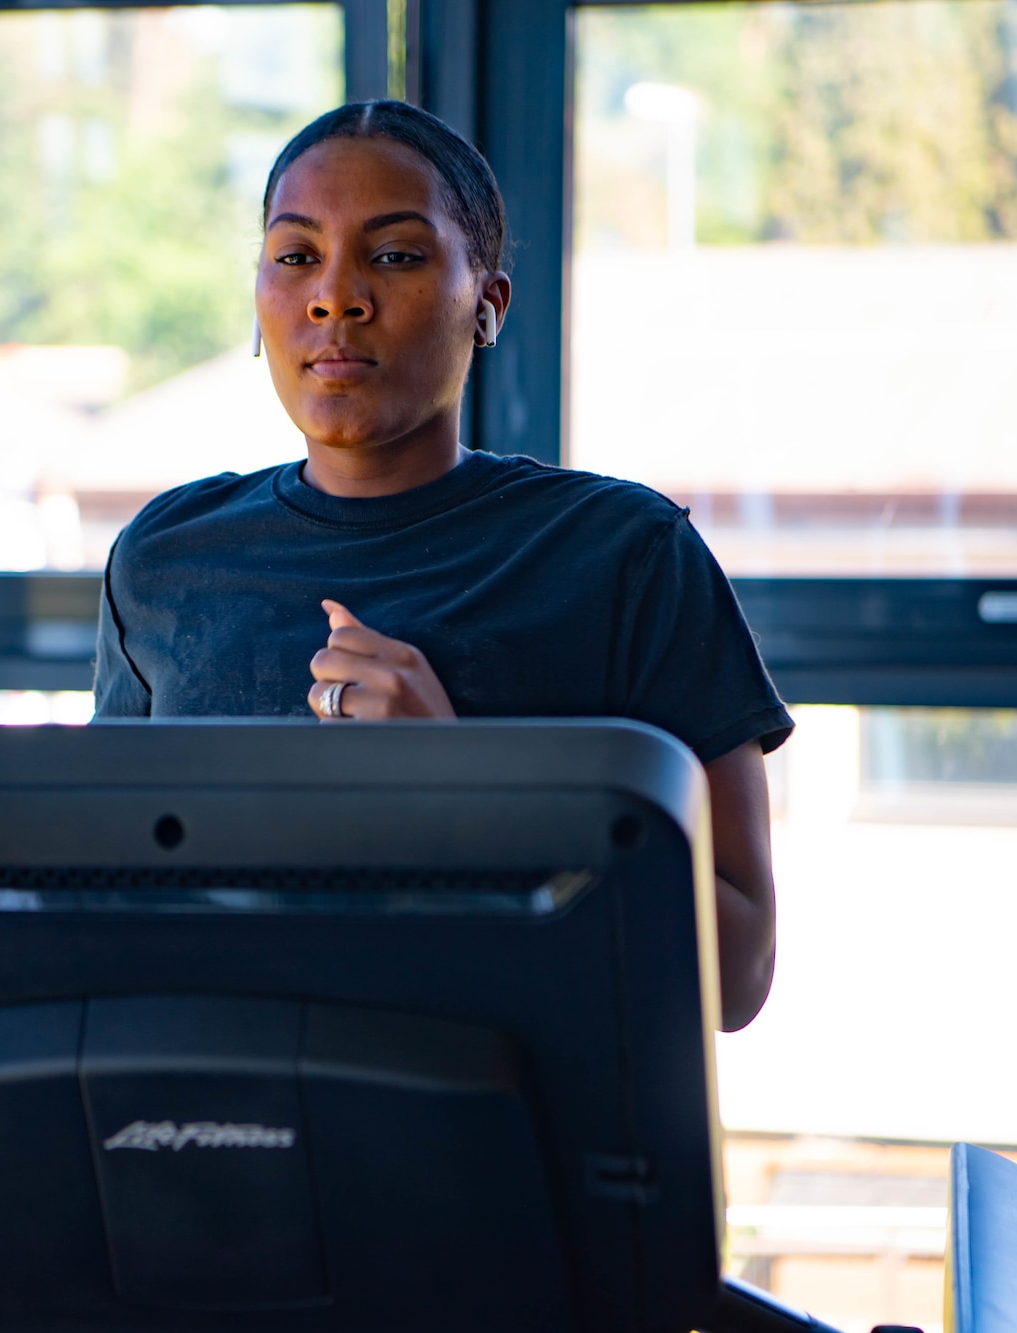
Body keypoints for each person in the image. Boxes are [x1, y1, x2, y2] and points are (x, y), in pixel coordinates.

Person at [93, 101, 792, 1030]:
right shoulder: (163, 557)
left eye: (394, 256)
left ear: (487, 307)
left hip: (506, 1144)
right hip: (214, 1131)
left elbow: (738, 969)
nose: (335, 296)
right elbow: (100, 905)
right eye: (296, 255)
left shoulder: (624, 554)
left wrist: (468, 786)